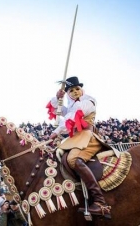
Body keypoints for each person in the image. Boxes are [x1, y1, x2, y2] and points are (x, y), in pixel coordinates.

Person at [46, 76, 111, 218]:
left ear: (82, 90)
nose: (75, 92)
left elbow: (72, 116)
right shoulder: (71, 105)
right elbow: (62, 111)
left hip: (88, 137)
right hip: (75, 138)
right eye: (71, 90)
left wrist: (55, 133)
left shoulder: (88, 102)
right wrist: (58, 98)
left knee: (73, 160)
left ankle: (100, 202)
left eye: (77, 89)